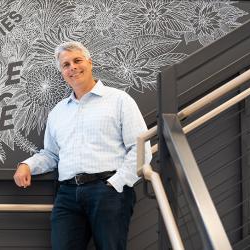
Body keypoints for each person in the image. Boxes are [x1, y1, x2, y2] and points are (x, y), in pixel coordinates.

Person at [13, 41, 152, 250]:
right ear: (62, 72)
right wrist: (27, 165)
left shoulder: (119, 100)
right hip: (68, 195)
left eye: (77, 60)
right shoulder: (58, 112)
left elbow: (140, 148)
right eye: (66, 64)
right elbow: (51, 155)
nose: (72, 67)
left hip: (107, 191)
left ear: (89, 62)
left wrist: (117, 183)